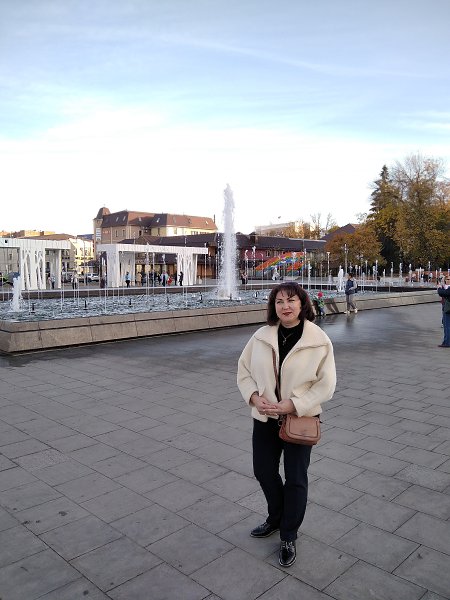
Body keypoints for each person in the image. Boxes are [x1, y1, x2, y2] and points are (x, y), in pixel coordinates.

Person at [237, 282, 336, 568]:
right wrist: (254, 397)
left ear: (302, 304)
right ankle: (276, 517)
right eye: (279, 301)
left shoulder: (318, 340)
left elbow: (327, 384)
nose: (285, 306)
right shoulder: (260, 336)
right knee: (263, 471)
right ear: (273, 307)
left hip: (300, 419)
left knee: (295, 479)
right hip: (265, 418)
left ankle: (288, 534)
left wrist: (293, 404)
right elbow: (243, 371)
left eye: (291, 300)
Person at [437, 276, 450, 347]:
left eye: (448, 279)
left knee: (447, 325)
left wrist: (439, 288)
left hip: (448, 309)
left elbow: (443, 293)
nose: (447, 280)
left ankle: (447, 342)